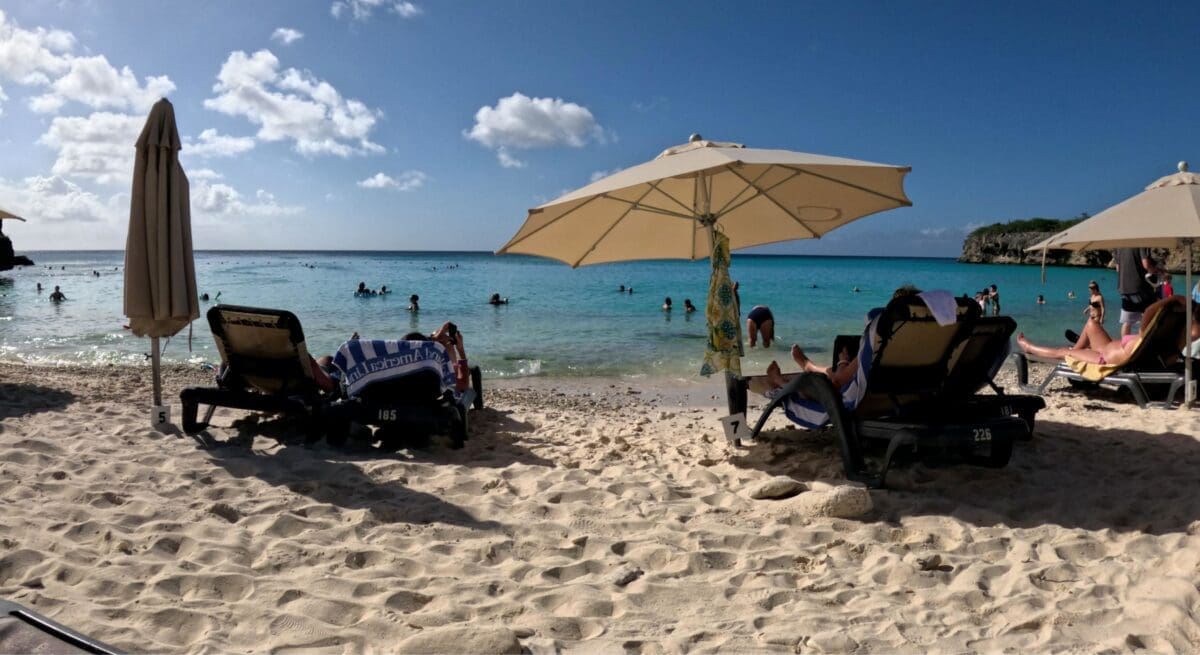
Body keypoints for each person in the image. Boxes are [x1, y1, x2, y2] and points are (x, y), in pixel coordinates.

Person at [765, 286, 922, 391]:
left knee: (822, 386)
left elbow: (840, 380)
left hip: (867, 397)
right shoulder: (930, 344)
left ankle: (783, 380)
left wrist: (843, 362)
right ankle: (809, 366)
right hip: (912, 397)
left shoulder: (882, 338)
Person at [1018, 296, 1199, 367]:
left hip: (1105, 358)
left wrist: (1173, 299)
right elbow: (1195, 331)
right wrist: (1194, 311)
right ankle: (1076, 351)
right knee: (1091, 324)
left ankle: (1029, 347)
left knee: (1062, 351)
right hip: (1108, 346)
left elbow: (1150, 311)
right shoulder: (1173, 340)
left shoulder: (1150, 335)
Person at [1115, 247, 1159, 337]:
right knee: (1147, 317)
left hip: (1124, 288)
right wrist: (1157, 269)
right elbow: (1146, 264)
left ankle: (1124, 346)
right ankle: (1142, 343)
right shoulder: (1141, 241)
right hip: (1140, 287)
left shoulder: (1119, 245)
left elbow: (1118, 268)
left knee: (1127, 321)